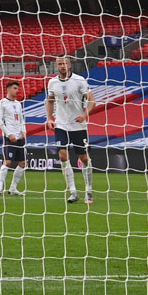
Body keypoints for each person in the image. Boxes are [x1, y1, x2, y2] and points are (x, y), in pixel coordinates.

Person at [45, 56, 95, 204]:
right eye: (59, 63)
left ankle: (89, 190)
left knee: (84, 158)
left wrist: (85, 114)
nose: (62, 66)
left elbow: (92, 100)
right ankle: (73, 191)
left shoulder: (79, 80)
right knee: (62, 155)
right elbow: (50, 100)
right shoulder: (52, 82)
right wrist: (49, 118)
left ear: (69, 64)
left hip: (78, 126)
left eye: (64, 63)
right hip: (61, 124)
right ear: (56, 65)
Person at [0, 80, 27, 196]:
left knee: (22, 163)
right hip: (9, 138)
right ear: (8, 89)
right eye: (15, 88)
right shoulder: (1, 103)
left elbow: (21, 119)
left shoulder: (18, 104)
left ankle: (13, 188)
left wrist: (24, 131)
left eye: (17, 89)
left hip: (20, 138)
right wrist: (9, 134)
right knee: (8, 162)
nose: (17, 90)